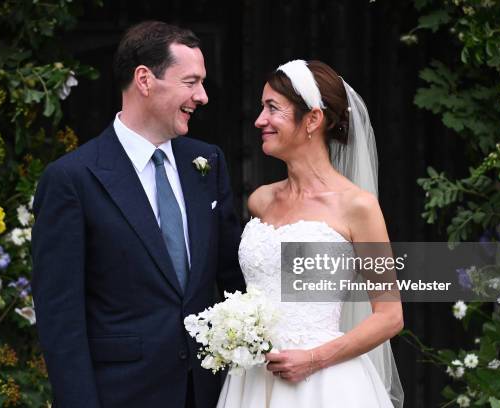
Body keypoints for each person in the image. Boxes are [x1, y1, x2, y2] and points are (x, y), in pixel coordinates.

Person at [31, 21, 245, 408]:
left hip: (209, 393)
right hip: (122, 394)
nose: (203, 96)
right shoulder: (71, 179)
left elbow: (237, 274)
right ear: (145, 79)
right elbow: (60, 319)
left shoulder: (208, 163)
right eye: (191, 82)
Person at [217, 60, 404, 407]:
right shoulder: (261, 201)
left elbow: (390, 316)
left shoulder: (357, 207)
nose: (260, 120)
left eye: (272, 108)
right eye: (262, 107)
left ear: (313, 120)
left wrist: (314, 359)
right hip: (253, 383)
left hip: (324, 383)